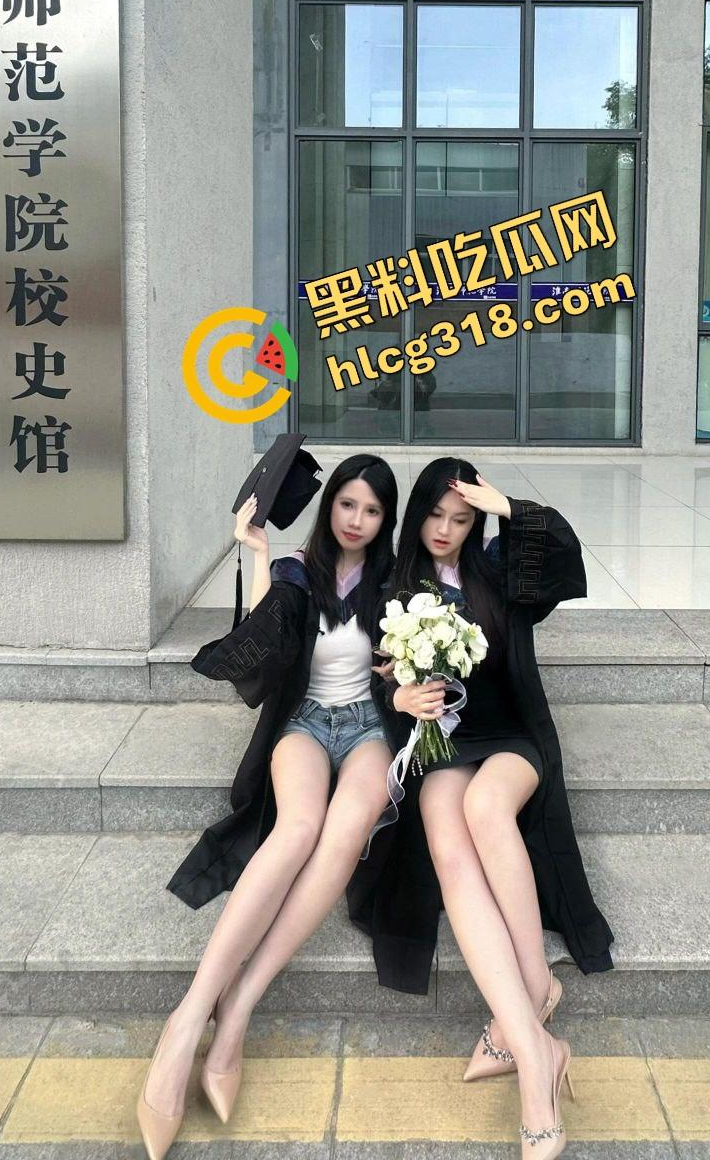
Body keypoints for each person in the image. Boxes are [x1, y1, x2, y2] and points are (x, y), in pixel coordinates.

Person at [137, 454, 398, 1160]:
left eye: (372, 510)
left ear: (385, 519)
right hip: (305, 723)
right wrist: (256, 552)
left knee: (345, 831)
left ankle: (238, 1010)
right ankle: (188, 1019)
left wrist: (400, 675)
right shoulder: (296, 571)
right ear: (329, 506)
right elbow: (260, 647)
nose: (356, 520)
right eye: (347, 504)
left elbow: (410, 666)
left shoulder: (396, 584)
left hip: (370, 729)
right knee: (298, 827)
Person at [371, 456, 613, 1159]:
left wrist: (508, 508)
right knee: (448, 848)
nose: (446, 530)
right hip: (444, 743)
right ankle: (536, 1050)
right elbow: (369, 674)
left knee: (484, 808)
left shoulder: (500, 572)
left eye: (460, 519)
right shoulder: (392, 586)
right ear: (416, 515)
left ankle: (532, 992)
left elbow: (567, 560)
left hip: (511, 738)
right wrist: (398, 695)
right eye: (436, 515)